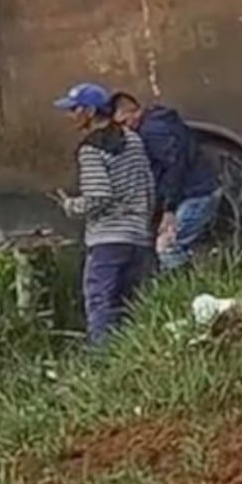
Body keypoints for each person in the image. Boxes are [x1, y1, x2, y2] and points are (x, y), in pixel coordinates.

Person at [53, 82, 156, 345]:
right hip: (139, 238)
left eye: (74, 109)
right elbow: (148, 184)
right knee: (134, 305)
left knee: (100, 303)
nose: (69, 116)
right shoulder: (133, 139)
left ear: (89, 111)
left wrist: (71, 206)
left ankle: (102, 363)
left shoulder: (91, 150)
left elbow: (99, 196)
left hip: (107, 241)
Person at [111, 92, 219, 271]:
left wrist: (168, 209)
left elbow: (174, 168)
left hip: (196, 194)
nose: (125, 129)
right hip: (199, 190)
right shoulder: (160, 122)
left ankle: (186, 290)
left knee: (167, 246)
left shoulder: (152, 131)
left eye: (124, 122)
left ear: (134, 112)